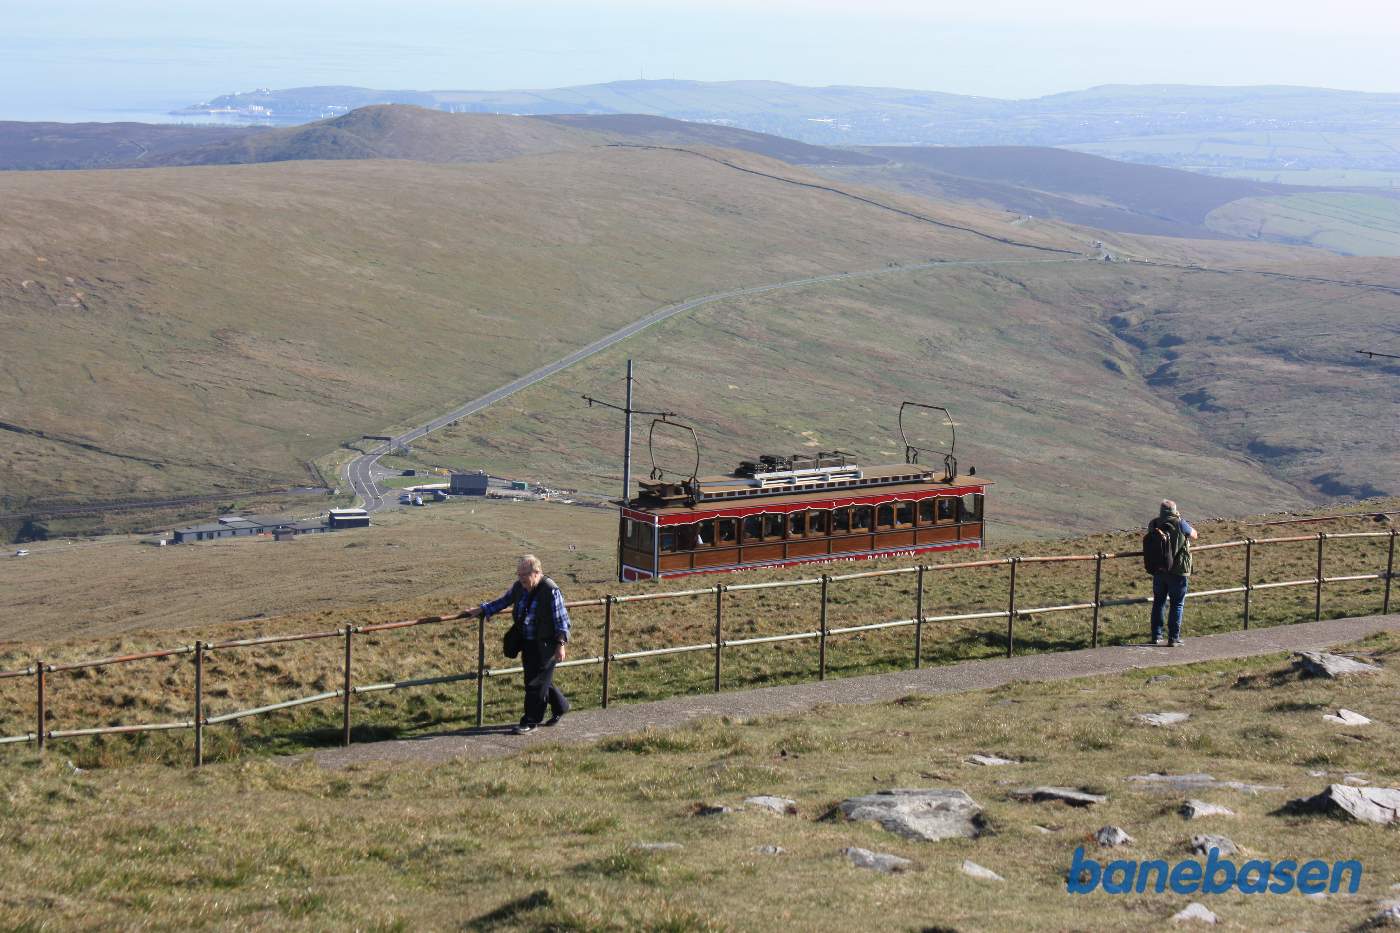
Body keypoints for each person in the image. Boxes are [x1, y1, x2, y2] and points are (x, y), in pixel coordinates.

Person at [465, 554, 571, 734]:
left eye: (524, 574)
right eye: (518, 574)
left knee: (535, 683)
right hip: (528, 642)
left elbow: (562, 621)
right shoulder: (519, 588)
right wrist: (483, 609)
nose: (520, 578)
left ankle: (530, 720)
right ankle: (561, 706)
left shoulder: (551, 591)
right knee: (539, 679)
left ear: (537, 572)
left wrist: (560, 644)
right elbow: (503, 601)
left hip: (546, 645)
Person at [1148, 500, 1197, 647]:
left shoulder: (1154, 523)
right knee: (1177, 604)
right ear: (1174, 510)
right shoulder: (1180, 523)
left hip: (1159, 569)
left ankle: (1156, 636)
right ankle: (1173, 638)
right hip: (1178, 570)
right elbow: (1194, 534)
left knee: (1158, 602)